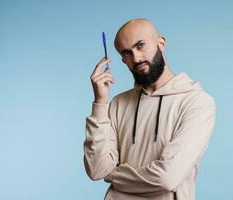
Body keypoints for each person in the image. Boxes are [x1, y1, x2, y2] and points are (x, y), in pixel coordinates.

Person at [83, 18, 216, 200]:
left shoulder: (197, 102)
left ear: (161, 43)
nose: (136, 58)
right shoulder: (118, 103)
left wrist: (112, 175)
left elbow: (166, 178)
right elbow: (97, 169)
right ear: (123, 61)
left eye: (140, 46)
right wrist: (100, 102)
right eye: (127, 53)